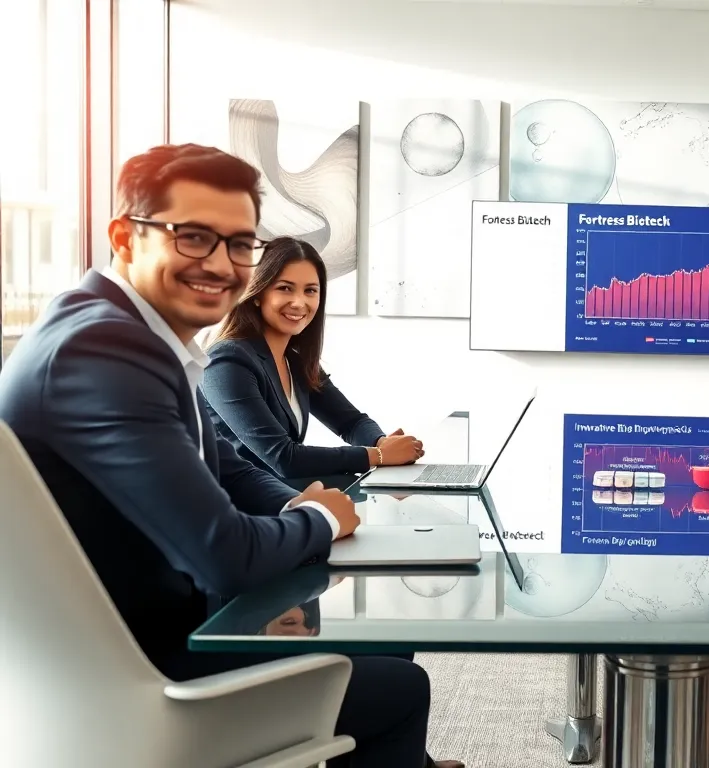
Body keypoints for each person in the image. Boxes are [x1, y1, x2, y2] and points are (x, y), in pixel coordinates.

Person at [0, 143, 462, 768]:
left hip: (136, 631)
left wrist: (299, 501)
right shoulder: (106, 353)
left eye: (239, 244)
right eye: (193, 237)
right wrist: (323, 520)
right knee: (402, 686)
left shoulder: (117, 331)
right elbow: (224, 557)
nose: (221, 264)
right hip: (141, 672)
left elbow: (227, 461)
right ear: (125, 237)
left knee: (388, 648)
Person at [202, 236, 424, 488]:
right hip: (239, 505)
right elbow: (283, 457)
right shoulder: (226, 362)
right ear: (257, 293)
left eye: (310, 290)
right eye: (285, 288)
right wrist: (380, 456)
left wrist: (380, 442)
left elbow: (350, 422)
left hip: (282, 491)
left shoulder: (295, 361)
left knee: (377, 494)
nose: (299, 302)